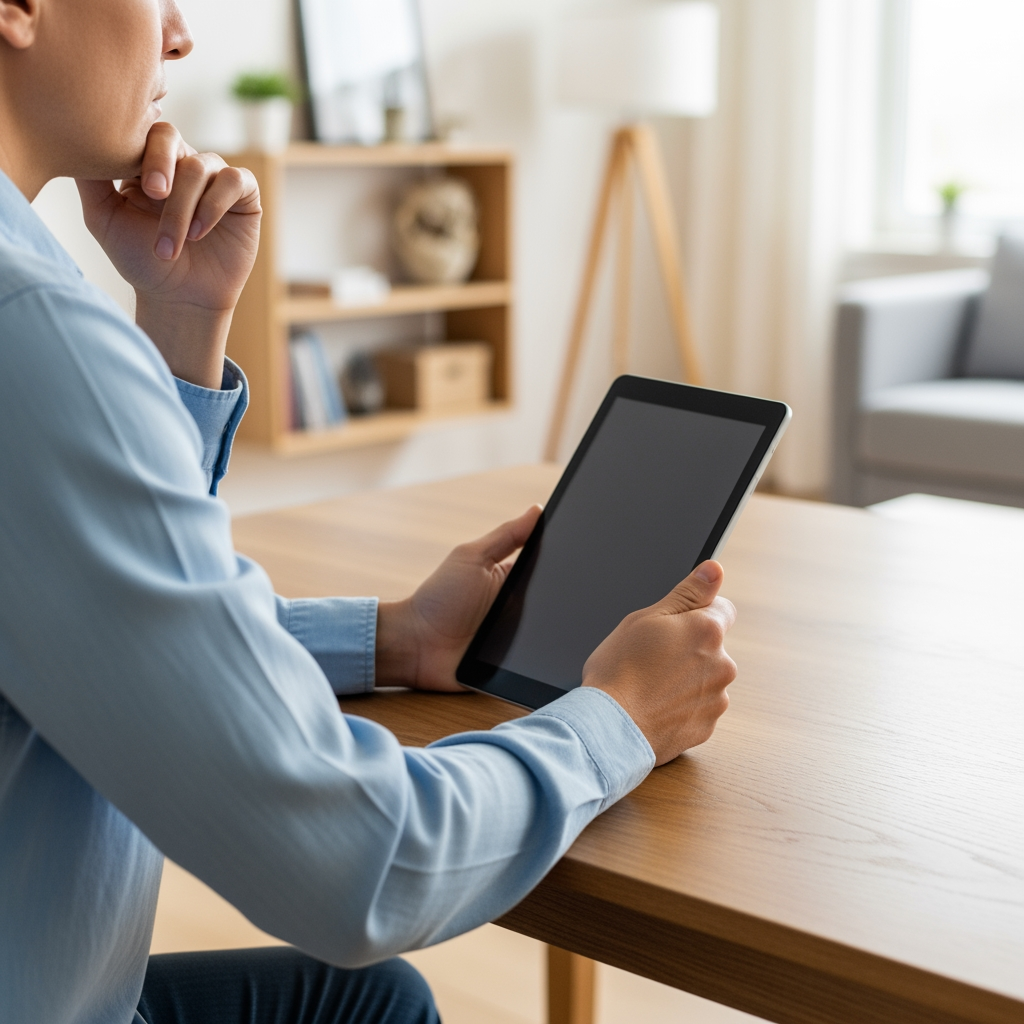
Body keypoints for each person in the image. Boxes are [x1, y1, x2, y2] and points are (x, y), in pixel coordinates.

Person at [0, 1, 738, 1022]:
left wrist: (393, 639)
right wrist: (616, 720)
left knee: (370, 1006)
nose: (179, 33)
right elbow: (362, 862)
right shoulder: (32, 334)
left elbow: (94, 621)